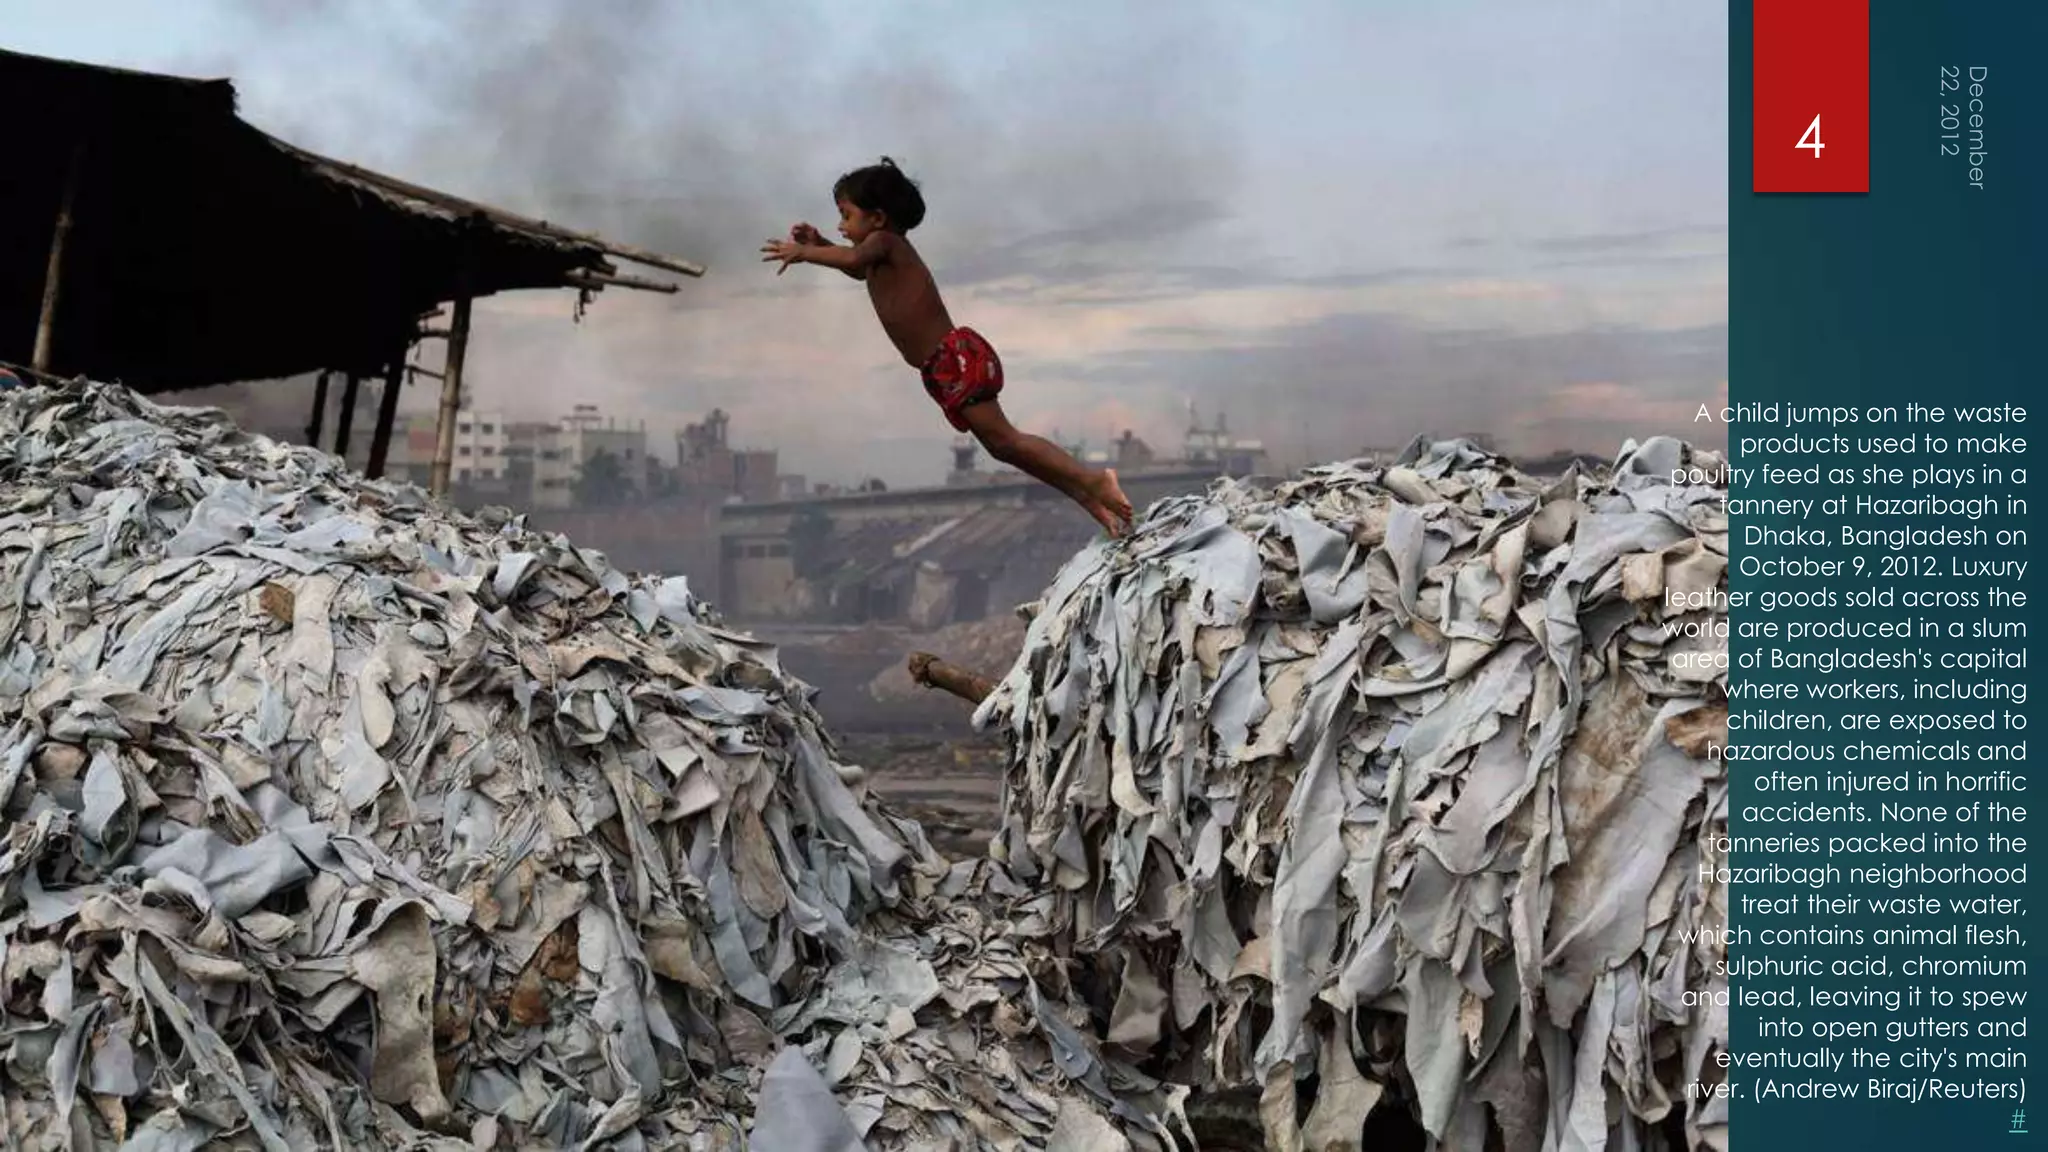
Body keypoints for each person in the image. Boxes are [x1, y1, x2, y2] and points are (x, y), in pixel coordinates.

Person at [762, 158, 1134, 536]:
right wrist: (820, 244)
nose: (840, 226)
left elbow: (855, 258)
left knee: (1008, 438)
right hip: (941, 369)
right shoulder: (877, 253)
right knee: (1001, 447)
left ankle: (1094, 481)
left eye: (846, 215)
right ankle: (1087, 495)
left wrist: (805, 252)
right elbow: (856, 267)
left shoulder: (886, 243)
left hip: (954, 361)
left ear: (876, 218)